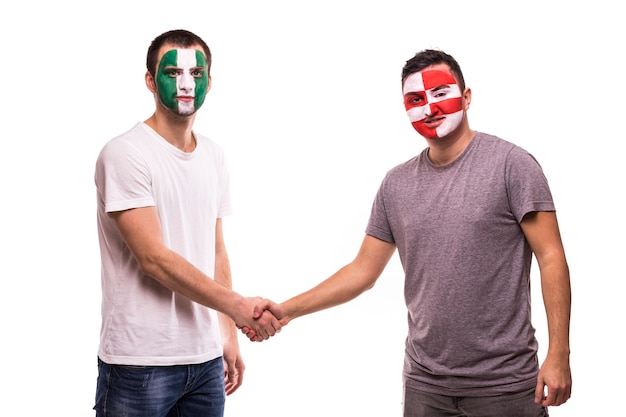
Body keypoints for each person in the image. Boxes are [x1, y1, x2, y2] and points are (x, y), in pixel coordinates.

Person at [244, 49, 572, 416]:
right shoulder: (396, 184)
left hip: (505, 385)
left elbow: (551, 257)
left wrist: (558, 354)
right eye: (416, 100)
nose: (429, 108)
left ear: (466, 97)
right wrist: (285, 310)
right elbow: (361, 272)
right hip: (425, 386)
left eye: (440, 94)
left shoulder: (512, 165)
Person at [93, 29, 282, 417]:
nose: (185, 83)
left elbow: (215, 250)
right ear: (150, 80)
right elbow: (153, 259)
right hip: (138, 364)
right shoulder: (124, 154)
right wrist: (238, 306)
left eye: (196, 73)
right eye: (172, 72)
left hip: (205, 362)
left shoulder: (214, 155)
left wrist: (228, 332)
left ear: (209, 83)